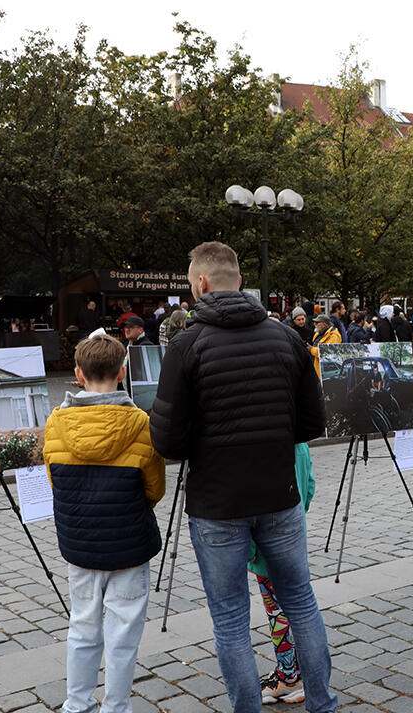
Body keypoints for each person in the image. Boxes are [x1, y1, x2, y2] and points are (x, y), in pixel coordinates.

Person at [149, 241, 336, 713]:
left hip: (217, 503)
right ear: (240, 281)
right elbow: (313, 424)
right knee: (302, 602)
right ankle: (322, 704)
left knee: (231, 618)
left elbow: (166, 441)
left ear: (202, 283)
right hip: (279, 493)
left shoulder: (185, 345)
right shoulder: (286, 338)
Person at [43, 334, 165, 713]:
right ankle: (116, 706)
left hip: (81, 545)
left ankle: (77, 703)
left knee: (82, 626)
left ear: (77, 374)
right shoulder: (141, 423)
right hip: (129, 544)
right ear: (122, 372)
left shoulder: (56, 422)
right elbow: (155, 488)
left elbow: (54, 479)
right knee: (123, 633)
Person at [251, 440, 315, 705]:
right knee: (298, 608)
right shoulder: (299, 443)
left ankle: (289, 678)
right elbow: (309, 485)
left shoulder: (262, 444)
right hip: (294, 535)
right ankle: (297, 673)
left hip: (267, 547)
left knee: (276, 612)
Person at [309, 314, 342, 379]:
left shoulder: (334, 336)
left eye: (317, 322)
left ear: (324, 324)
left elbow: (327, 352)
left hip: (325, 373)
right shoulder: (320, 333)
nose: (314, 324)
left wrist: (312, 349)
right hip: (317, 369)